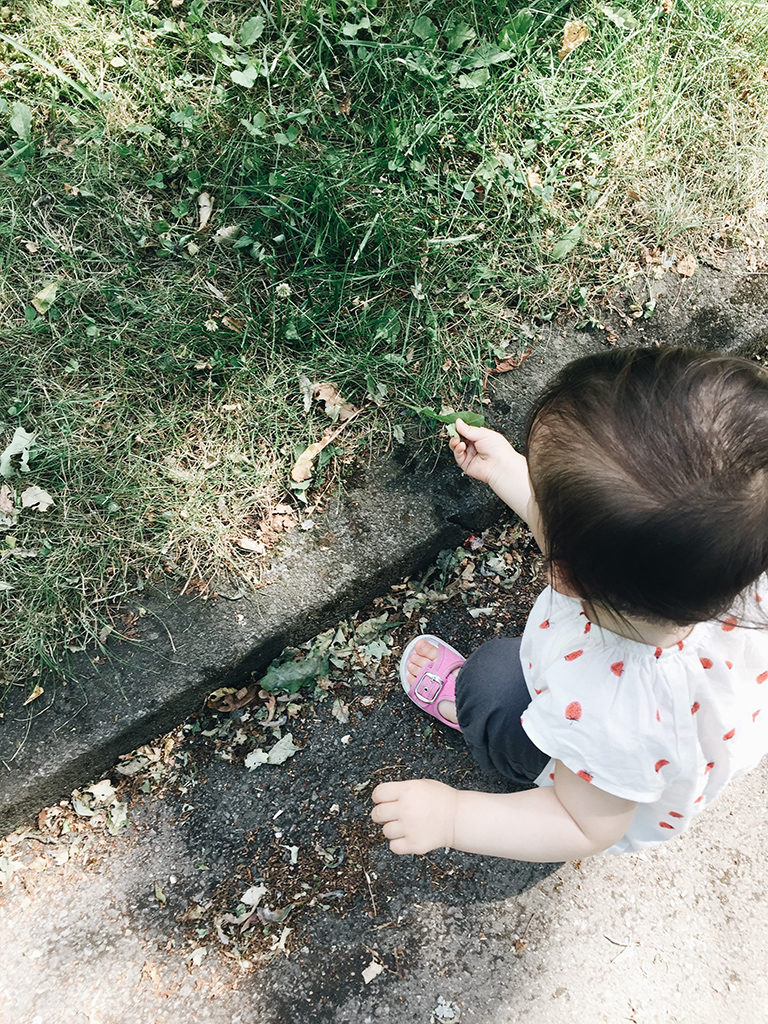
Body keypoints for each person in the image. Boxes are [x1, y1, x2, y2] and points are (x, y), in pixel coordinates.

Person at [371, 346, 768, 861]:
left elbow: (582, 827)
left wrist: (453, 816)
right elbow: (594, 536)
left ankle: (488, 728)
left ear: (563, 574)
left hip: (601, 785)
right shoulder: (734, 553)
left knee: (492, 683)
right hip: (687, 739)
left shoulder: (617, 714)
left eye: (541, 493)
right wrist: (506, 470)